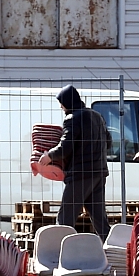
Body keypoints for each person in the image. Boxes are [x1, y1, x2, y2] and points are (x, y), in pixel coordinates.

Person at [39, 85, 111, 241]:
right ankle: (112, 251)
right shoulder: (97, 116)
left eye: (61, 103)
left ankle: (59, 251)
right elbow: (109, 142)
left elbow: (66, 146)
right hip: (99, 173)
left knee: (66, 216)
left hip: (80, 175)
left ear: (67, 102)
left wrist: (49, 156)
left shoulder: (72, 119)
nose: (61, 107)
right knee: (99, 219)